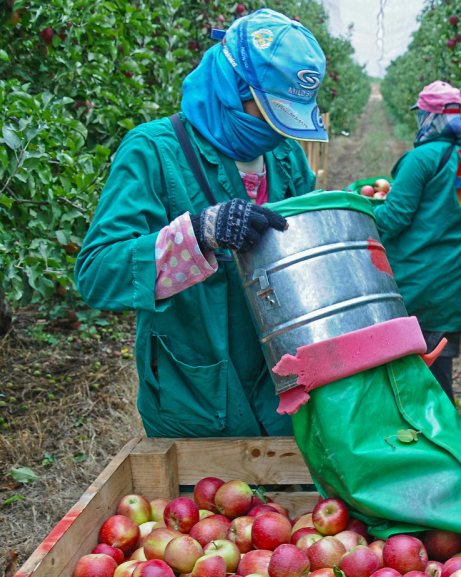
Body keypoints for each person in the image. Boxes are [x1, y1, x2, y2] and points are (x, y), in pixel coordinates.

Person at [75, 9, 328, 438]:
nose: (275, 127)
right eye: (268, 109)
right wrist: (198, 234)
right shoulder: (153, 151)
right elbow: (97, 273)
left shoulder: (286, 159)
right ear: (232, 85)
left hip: (283, 393)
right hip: (197, 396)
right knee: (205, 506)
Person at [373, 81, 461, 402]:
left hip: (418, 284)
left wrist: (365, 211)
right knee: (438, 372)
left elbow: (394, 219)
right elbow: (450, 204)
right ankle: (441, 435)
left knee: (417, 381)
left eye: (422, 114)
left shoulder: (420, 160)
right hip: (453, 283)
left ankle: (438, 441)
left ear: (429, 116)